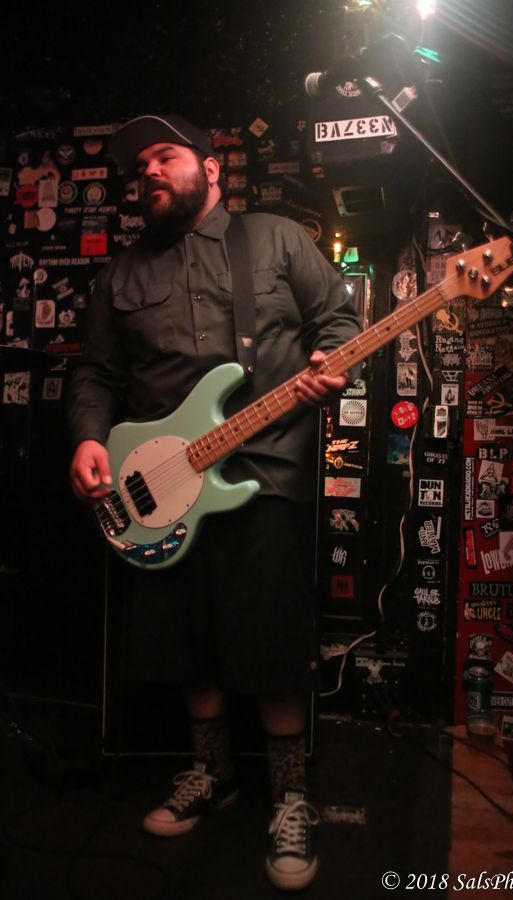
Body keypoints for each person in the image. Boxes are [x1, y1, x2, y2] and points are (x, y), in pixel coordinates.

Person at [67, 114, 361, 891]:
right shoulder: (121, 275)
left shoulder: (276, 240)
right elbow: (95, 372)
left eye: (164, 156)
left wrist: (331, 361)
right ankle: (212, 774)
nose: (148, 171)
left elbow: (339, 321)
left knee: (270, 641)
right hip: (159, 488)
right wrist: (88, 438)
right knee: (184, 637)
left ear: (210, 168)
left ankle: (290, 795)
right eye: (139, 166)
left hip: (266, 470)